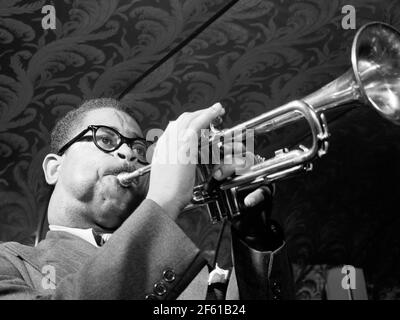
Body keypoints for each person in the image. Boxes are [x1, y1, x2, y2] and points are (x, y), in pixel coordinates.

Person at [0, 98, 294, 299]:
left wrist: (253, 232)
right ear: (54, 167)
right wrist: (163, 203)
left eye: (139, 150)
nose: (129, 154)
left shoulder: (187, 267)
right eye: (105, 140)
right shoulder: (10, 263)